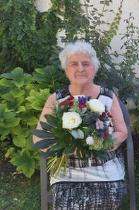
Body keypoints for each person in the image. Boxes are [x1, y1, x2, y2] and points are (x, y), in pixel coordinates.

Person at [33, 40, 128, 210]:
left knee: (109, 201)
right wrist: (67, 147)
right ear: (66, 68)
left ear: (94, 67)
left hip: (104, 168)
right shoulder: (57, 99)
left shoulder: (108, 97)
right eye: (74, 64)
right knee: (66, 205)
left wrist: (101, 144)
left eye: (86, 64)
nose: (80, 69)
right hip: (68, 171)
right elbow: (38, 136)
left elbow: (122, 132)